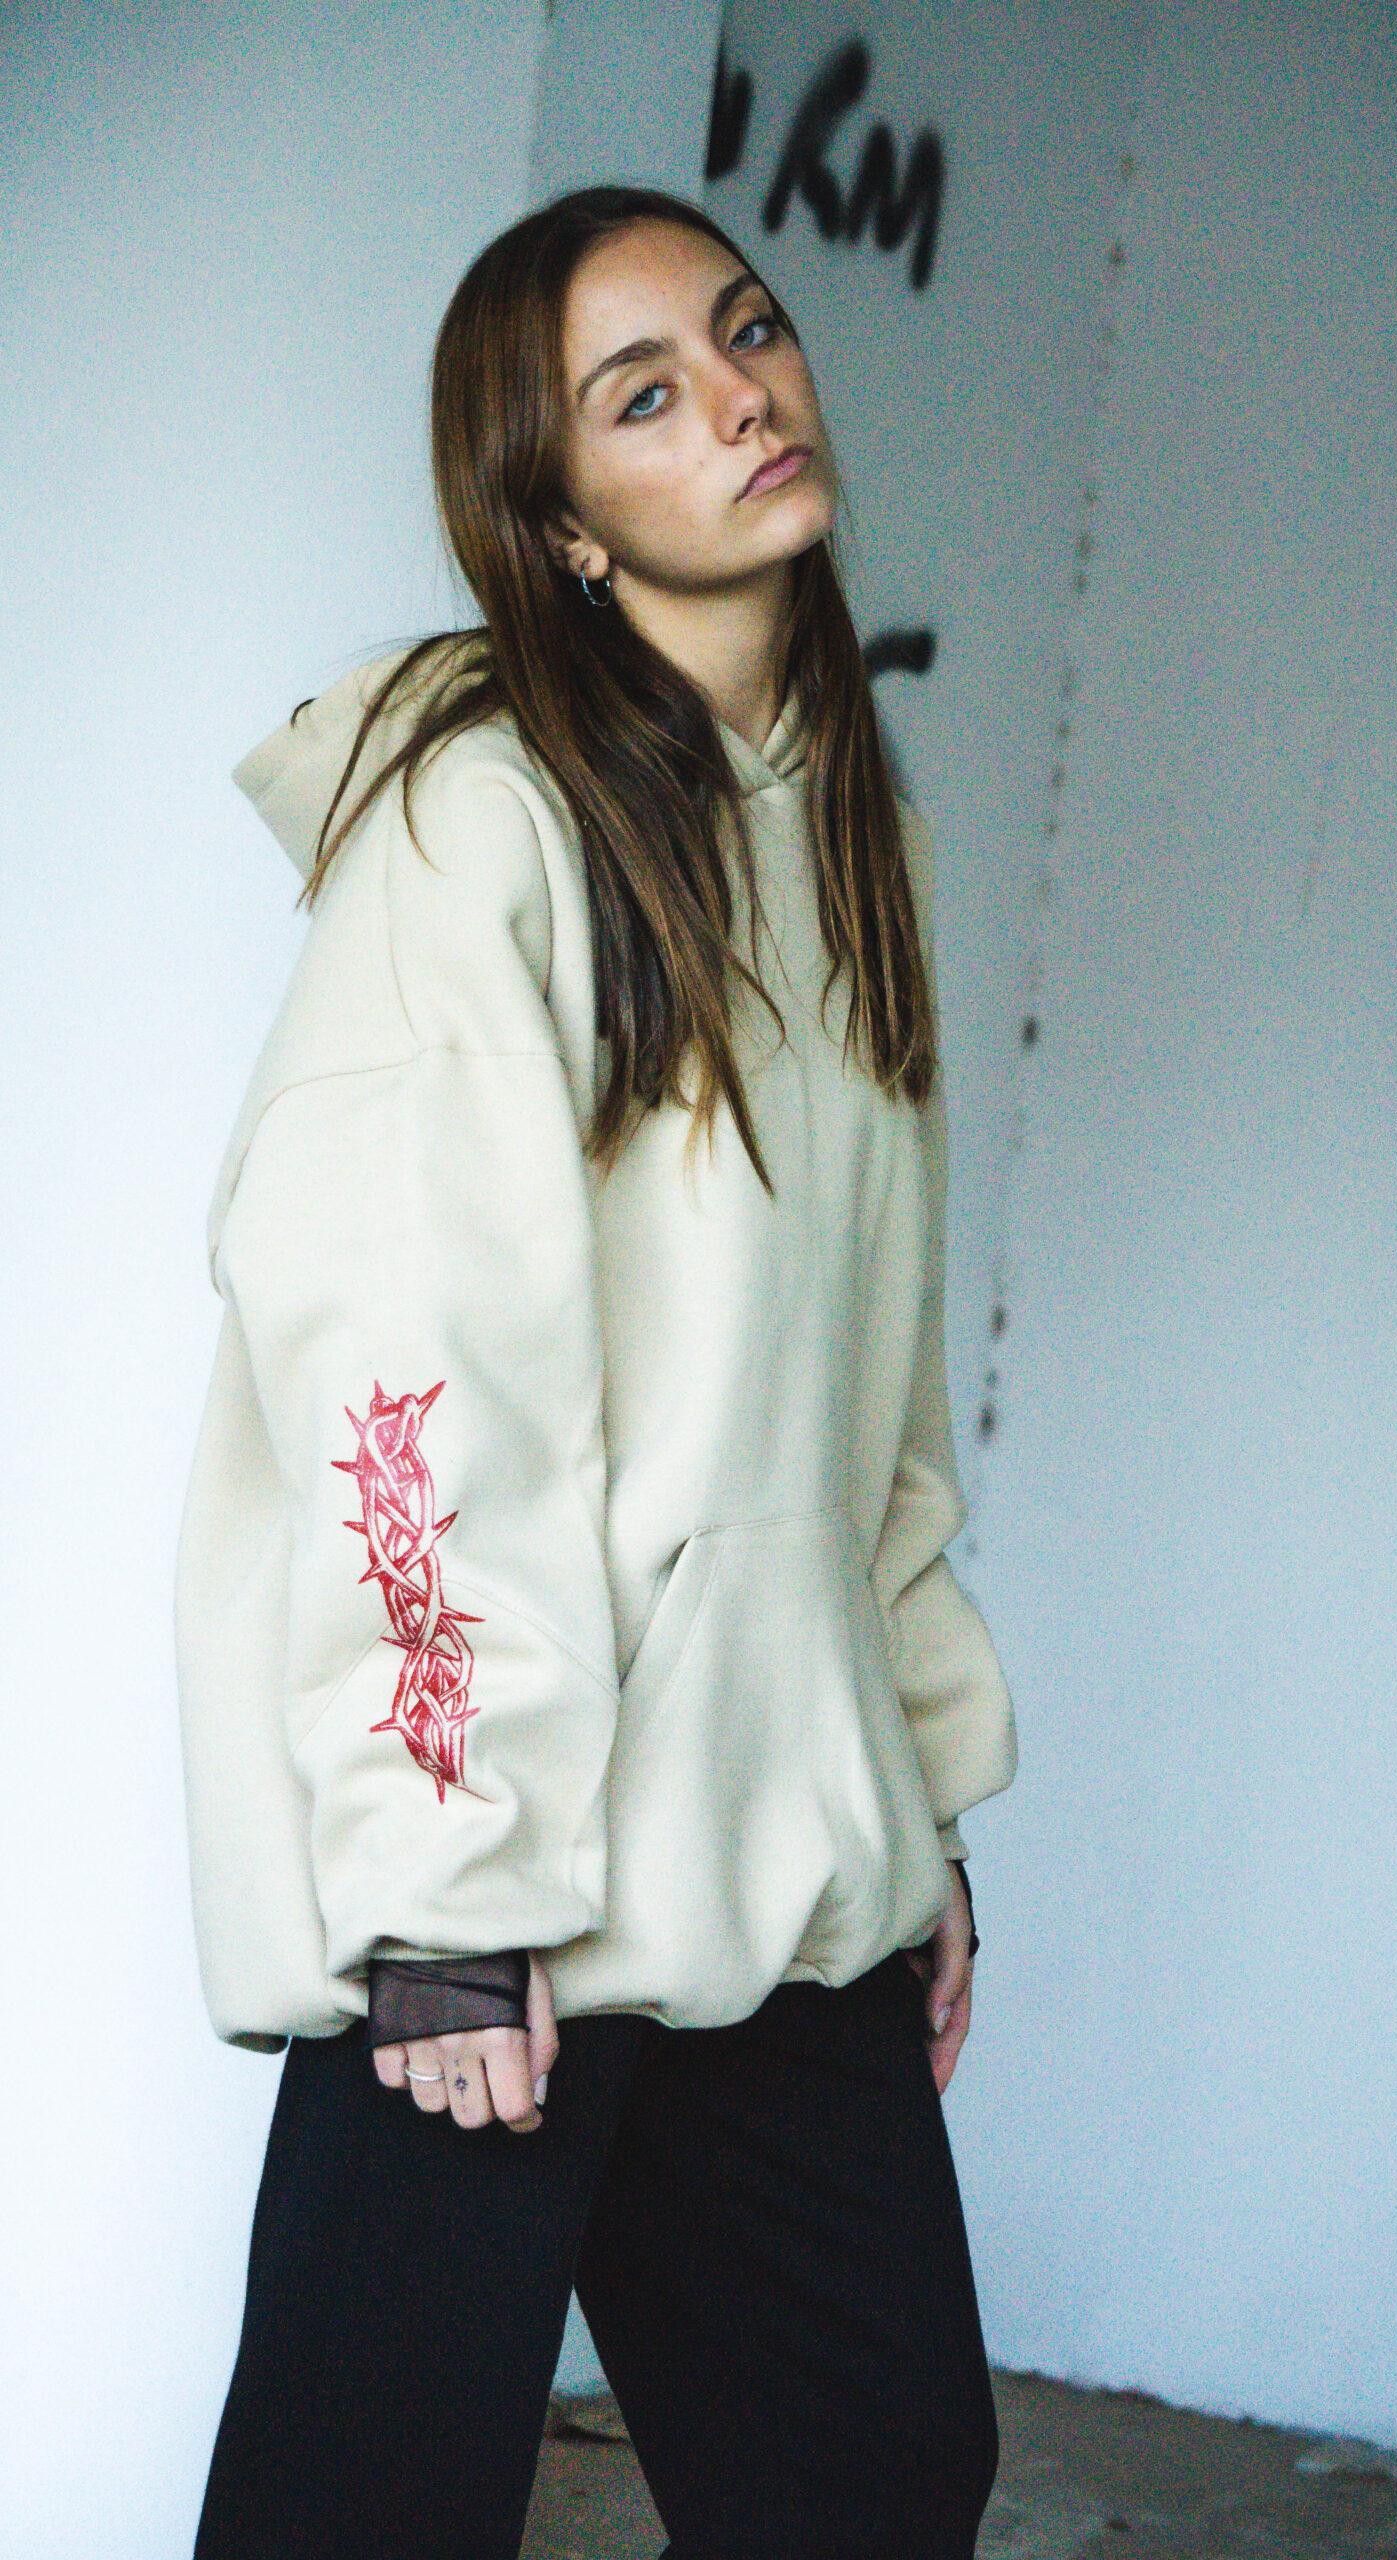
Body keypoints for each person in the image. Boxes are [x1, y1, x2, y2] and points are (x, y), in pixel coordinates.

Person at [176, 183, 1018, 2560]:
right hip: (499, 1883)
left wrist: (911, 1790)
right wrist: (445, 1881)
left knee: (875, 2477)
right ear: (555, 521)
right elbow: (404, 1363)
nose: (741, 396)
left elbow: (869, 1396)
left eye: (747, 332)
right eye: (645, 393)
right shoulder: (481, 827)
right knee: (364, 2514)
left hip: (772, 1848)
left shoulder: (857, 829)